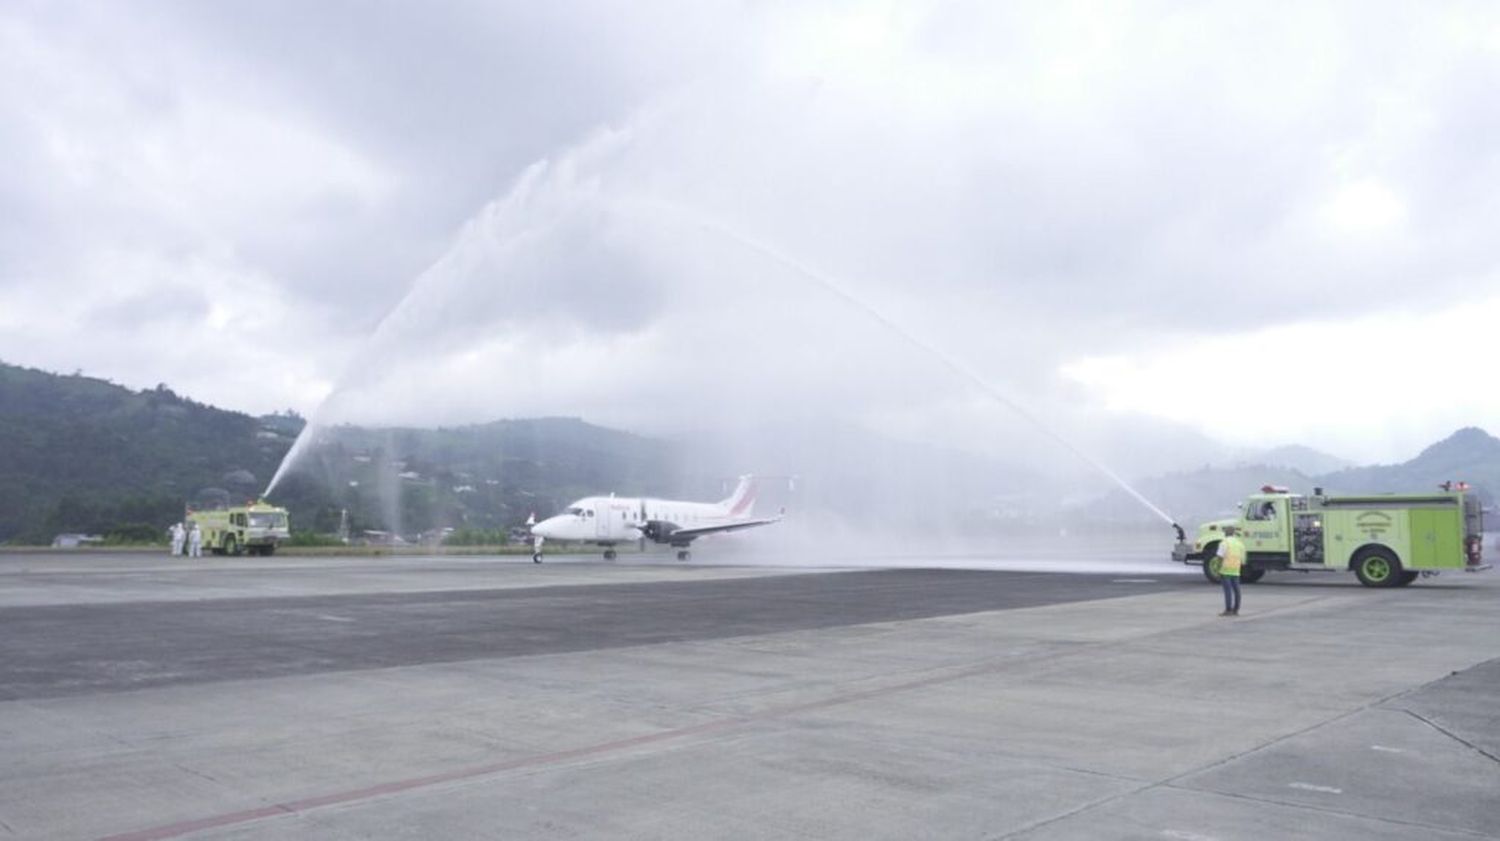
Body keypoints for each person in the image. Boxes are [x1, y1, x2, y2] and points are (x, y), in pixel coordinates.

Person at [1216, 524, 1245, 616]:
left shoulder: (1224, 543)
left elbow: (1219, 557)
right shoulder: (1239, 544)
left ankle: (1228, 610)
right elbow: (1243, 560)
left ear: (1225, 533)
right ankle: (1236, 610)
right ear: (1234, 533)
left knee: (1228, 590)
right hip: (1236, 570)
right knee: (1237, 590)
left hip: (1225, 570)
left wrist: (1218, 568)